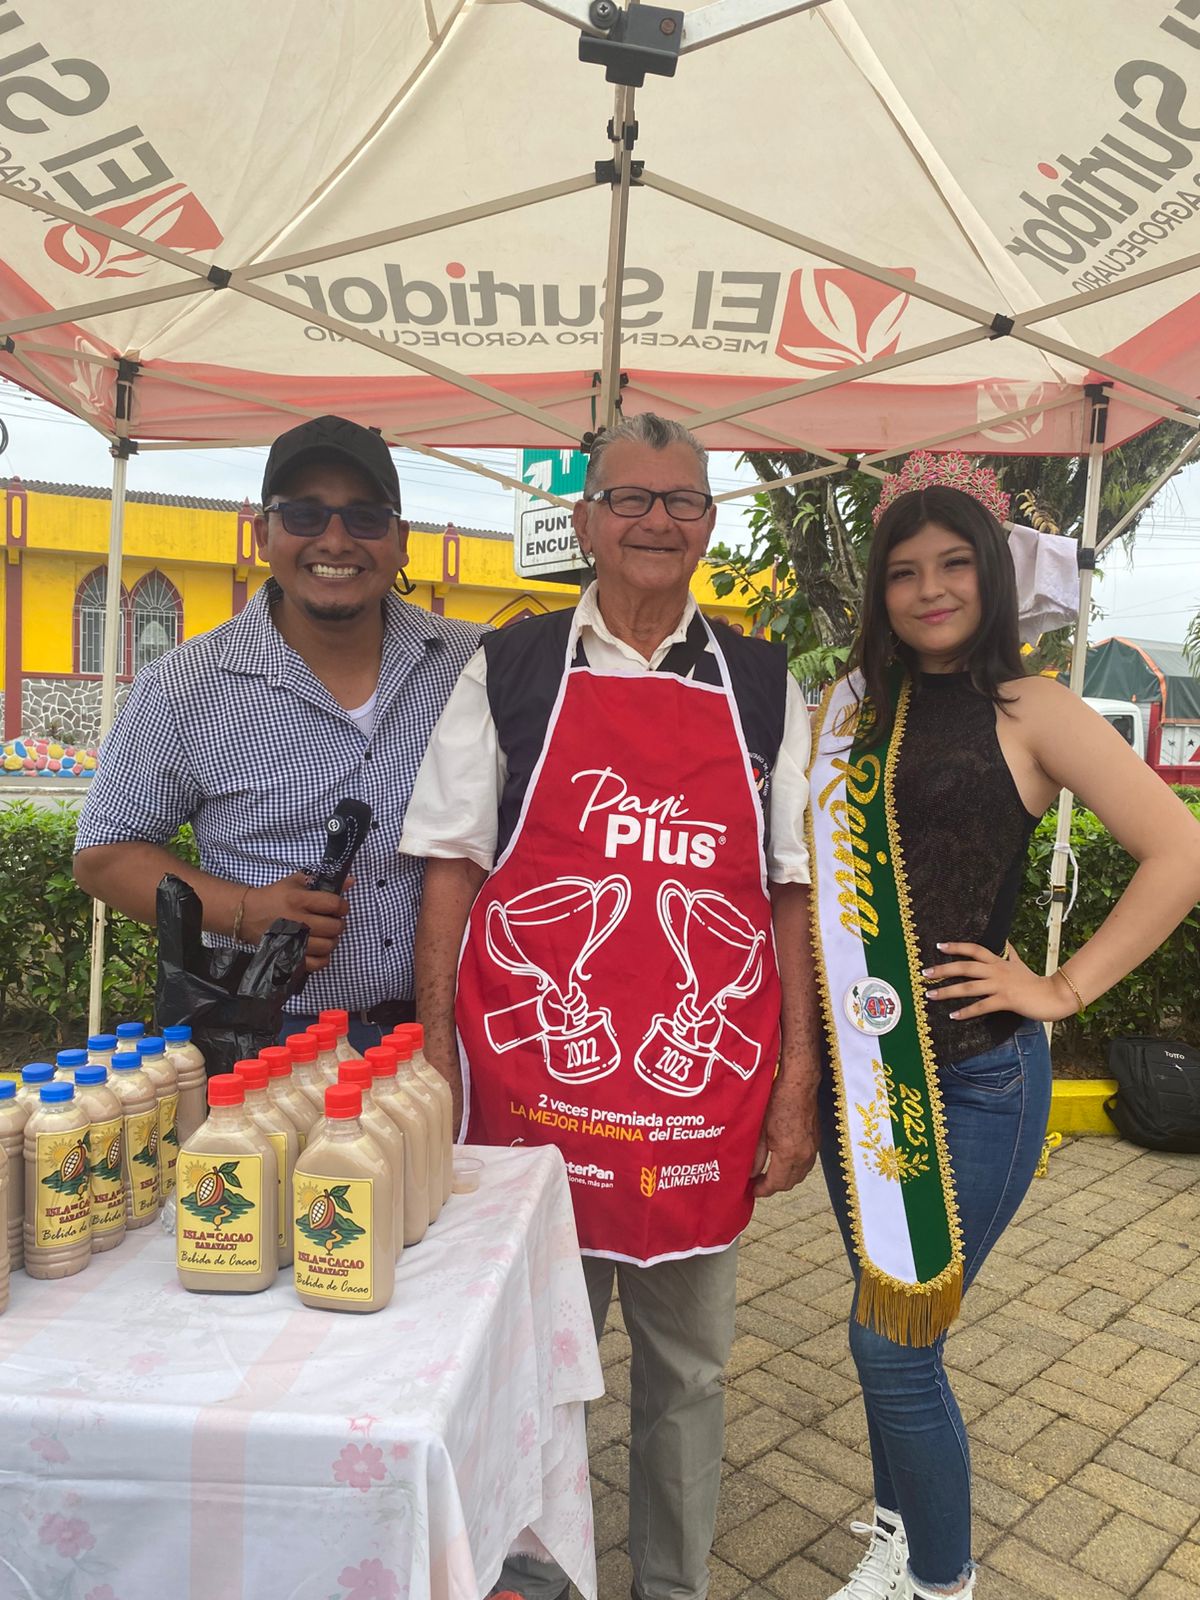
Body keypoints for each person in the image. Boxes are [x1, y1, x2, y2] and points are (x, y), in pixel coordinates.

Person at [400, 412, 821, 1600]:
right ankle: (536, 1582)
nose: (655, 521)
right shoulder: (512, 666)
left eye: (680, 500)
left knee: (690, 1370)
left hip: (697, 1107)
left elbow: (790, 891)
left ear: (709, 525)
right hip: (537, 1100)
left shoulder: (764, 684)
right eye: (629, 498)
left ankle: (670, 1586)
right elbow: (451, 867)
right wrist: (437, 1056)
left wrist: (797, 1080)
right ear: (585, 521)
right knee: (534, 1367)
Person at [808, 460, 1200, 1600]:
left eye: (953, 565)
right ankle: (895, 1541)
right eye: (903, 571)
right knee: (885, 1319)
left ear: (991, 574)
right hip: (861, 1077)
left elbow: (1179, 851)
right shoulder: (851, 707)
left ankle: (943, 1582)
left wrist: (1064, 988)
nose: (930, 589)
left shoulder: (1034, 708)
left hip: (977, 1079)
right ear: (879, 590)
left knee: (893, 1343)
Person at [74, 414, 483, 1053]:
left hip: (452, 1033)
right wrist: (243, 909)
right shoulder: (184, 686)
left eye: (365, 518)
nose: (336, 541)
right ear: (264, 533)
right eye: (304, 515)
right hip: (271, 1041)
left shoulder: (472, 664)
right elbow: (104, 854)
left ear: (401, 541)